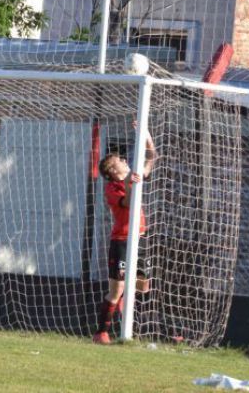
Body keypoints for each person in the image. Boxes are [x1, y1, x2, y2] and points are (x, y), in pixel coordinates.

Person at [92, 126, 155, 345]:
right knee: (117, 289)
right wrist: (130, 183)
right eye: (120, 159)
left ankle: (128, 320)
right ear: (113, 168)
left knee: (143, 285)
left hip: (141, 237)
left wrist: (146, 136)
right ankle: (101, 333)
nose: (124, 159)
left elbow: (151, 156)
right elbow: (127, 202)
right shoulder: (112, 187)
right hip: (122, 241)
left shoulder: (133, 175)